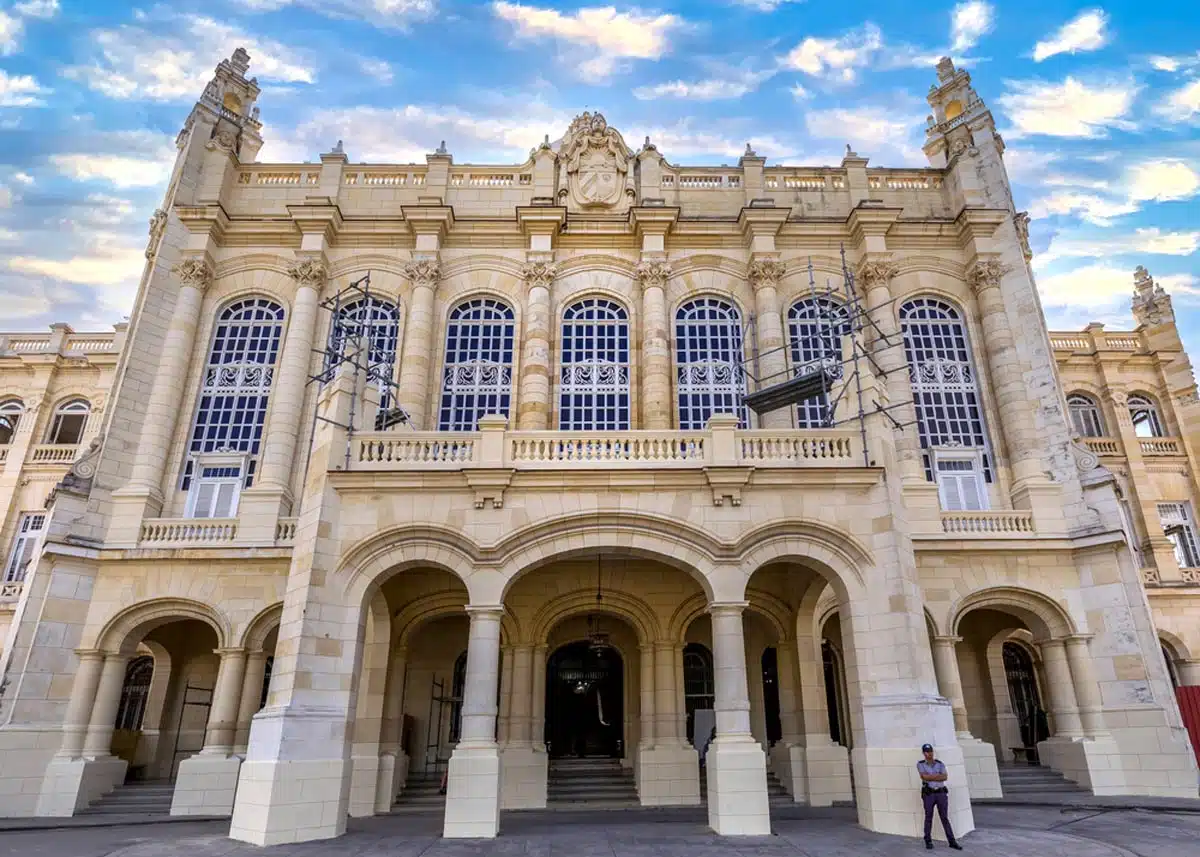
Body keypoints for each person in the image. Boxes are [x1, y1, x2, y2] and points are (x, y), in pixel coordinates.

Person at [917, 743, 962, 850]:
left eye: (930, 751)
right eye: (927, 752)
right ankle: (928, 840)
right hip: (929, 794)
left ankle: (952, 841)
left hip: (941, 793)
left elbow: (945, 777)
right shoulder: (920, 764)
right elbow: (924, 777)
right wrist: (937, 776)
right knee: (929, 817)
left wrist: (931, 777)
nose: (929, 754)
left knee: (944, 817)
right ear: (923, 753)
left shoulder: (939, 763)